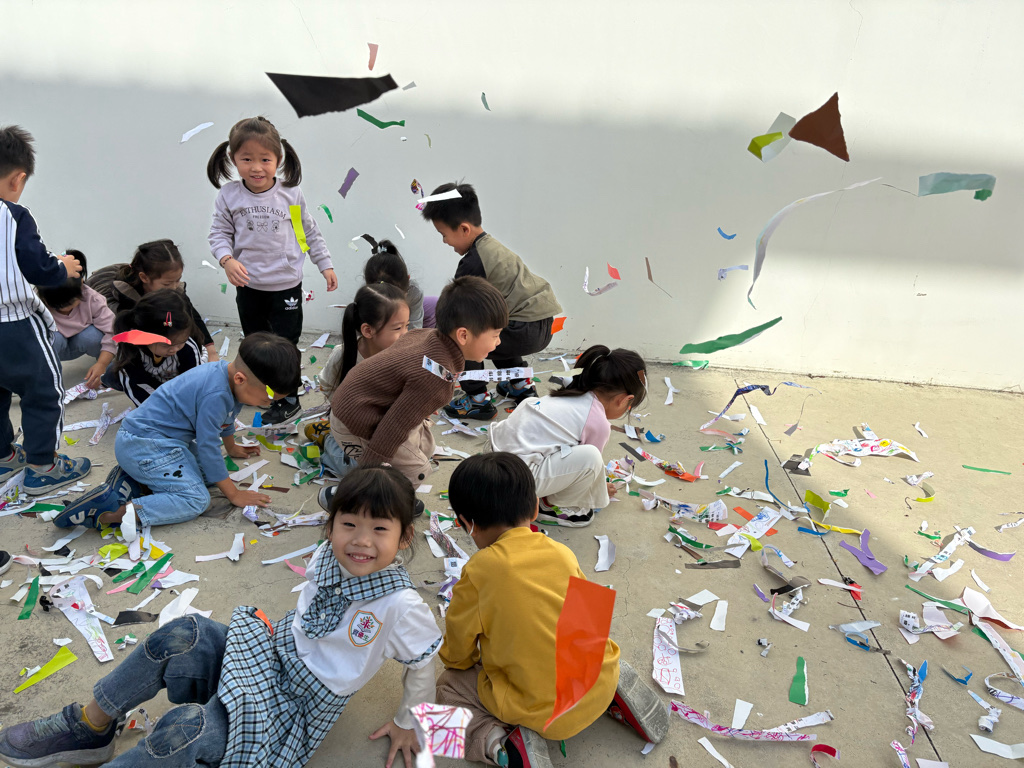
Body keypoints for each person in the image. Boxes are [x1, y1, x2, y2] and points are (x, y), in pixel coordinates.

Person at [0, 466, 443, 768]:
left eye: (380, 529)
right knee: (183, 633)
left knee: (188, 730)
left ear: (404, 538)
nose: (361, 541)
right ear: (330, 527)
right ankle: (91, 725)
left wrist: (410, 723)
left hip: (296, 707)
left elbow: (424, 663)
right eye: (349, 525)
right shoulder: (329, 555)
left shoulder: (400, 605)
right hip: (271, 653)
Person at [437, 452, 668, 765]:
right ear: (534, 508)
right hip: (598, 674)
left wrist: (458, 663)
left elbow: (458, 650)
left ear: (467, 524)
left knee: (448, 687)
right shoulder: (562, 553)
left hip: (545, 715)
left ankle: (502, 744)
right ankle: (609, 689)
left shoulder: (478, 572)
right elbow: (589, 617)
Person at [52, 332, 300, 531]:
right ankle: (109, 512)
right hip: (145, 445)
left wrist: (232, 447)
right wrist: (234, 494)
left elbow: (225, 420)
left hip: (155, 443)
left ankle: (135, 479)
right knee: (196, 500)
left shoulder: (228, 377)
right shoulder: (216, 395)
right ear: (240, 379)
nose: (270, 403)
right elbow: (208, 446)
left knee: (209, 475)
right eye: (268, 397)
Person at [207, 116, 337, 425]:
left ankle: (288, 399)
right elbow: (219, 234)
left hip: (285, 285)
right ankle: (257, 389)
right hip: (249, 286)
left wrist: (325, 264)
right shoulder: (229, 196)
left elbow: (306, 233)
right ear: (233, 158)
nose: (256, 167)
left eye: (265, 159)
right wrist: (227, 260)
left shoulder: (290, 194)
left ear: (278, 159)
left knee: (285, 345)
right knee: (255, 342)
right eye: (247, 159)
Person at [330, 276, 506, 486]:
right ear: (463, 335)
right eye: (495, 335)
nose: (499, 342)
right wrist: (370, 475)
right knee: (417, 472)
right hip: (355, 419)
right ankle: (360, 488)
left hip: (368, 404)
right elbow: (394, 425)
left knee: (426, 446)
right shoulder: (434, 376)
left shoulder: (430, 336)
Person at [0, 125, 91, 496]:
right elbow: (38, 269)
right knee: (43, 391)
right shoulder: (15, 215)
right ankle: (43, 466)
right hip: (14, 324)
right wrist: (62, 268)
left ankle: (4, 457)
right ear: (18, 179)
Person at [421, 182, 561, 420]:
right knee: (494, 328)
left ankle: (477, 399)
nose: (444, 241)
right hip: (540, 325)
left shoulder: (474, 262)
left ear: (464, 229)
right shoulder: (492, 248)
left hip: (523, 328)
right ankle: (520, 385)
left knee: (462, 335)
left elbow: (457, 312)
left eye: (444, 235)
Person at [489, 345, 647, 528]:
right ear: (624, 400)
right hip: (513, 483)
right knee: (591, 458)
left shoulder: (569, 393)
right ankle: (550, 506)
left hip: (492, 460)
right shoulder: (598, 423)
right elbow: (588, 469)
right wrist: (600, 489)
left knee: (533, 405)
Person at [308, 283, 409, 477]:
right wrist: (345, 414)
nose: (406, 334)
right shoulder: (343, 355)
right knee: (360, 472)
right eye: (398, 328)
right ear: (368, 331)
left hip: (387, 429)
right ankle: (326, 438)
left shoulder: (403, 355)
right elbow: (327, 385)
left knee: (411, 463)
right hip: (350, 428)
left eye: (407, 326)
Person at [87, 239, 217, 361]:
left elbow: (191, 316)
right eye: (167, 284)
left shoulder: (172, 287)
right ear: (144, 278)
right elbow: (123, 327)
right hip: (99, 306)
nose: (173, 288)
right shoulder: (124, 293)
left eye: (178, 280)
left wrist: (210, 350)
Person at [111, 289, 208, 407]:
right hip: (152, 379)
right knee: (113, 373)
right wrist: (156, 410)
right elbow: (138, 388)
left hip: (178, 379)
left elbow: (193, 382)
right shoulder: (130, 352)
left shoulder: (188, 347)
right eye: (166, 345)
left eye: (180, 343)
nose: (174, 349)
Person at [36, 250, 116, 391]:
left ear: (82, 287)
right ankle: (44, 376)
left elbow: (113, 333)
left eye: (70, 304)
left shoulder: (93, 299)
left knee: (92, 335)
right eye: (57, 307)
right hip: (54, 346)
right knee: (54, 338)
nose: (64, 310)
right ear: (42, 298)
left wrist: (102, 364)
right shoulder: (35, 304)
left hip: (81, 343)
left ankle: (108, 374)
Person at [363, 238, 425, 329]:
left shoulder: (414, 294)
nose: (392, 306)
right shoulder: (365, 299)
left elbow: (414, 329)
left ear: (408, 280)